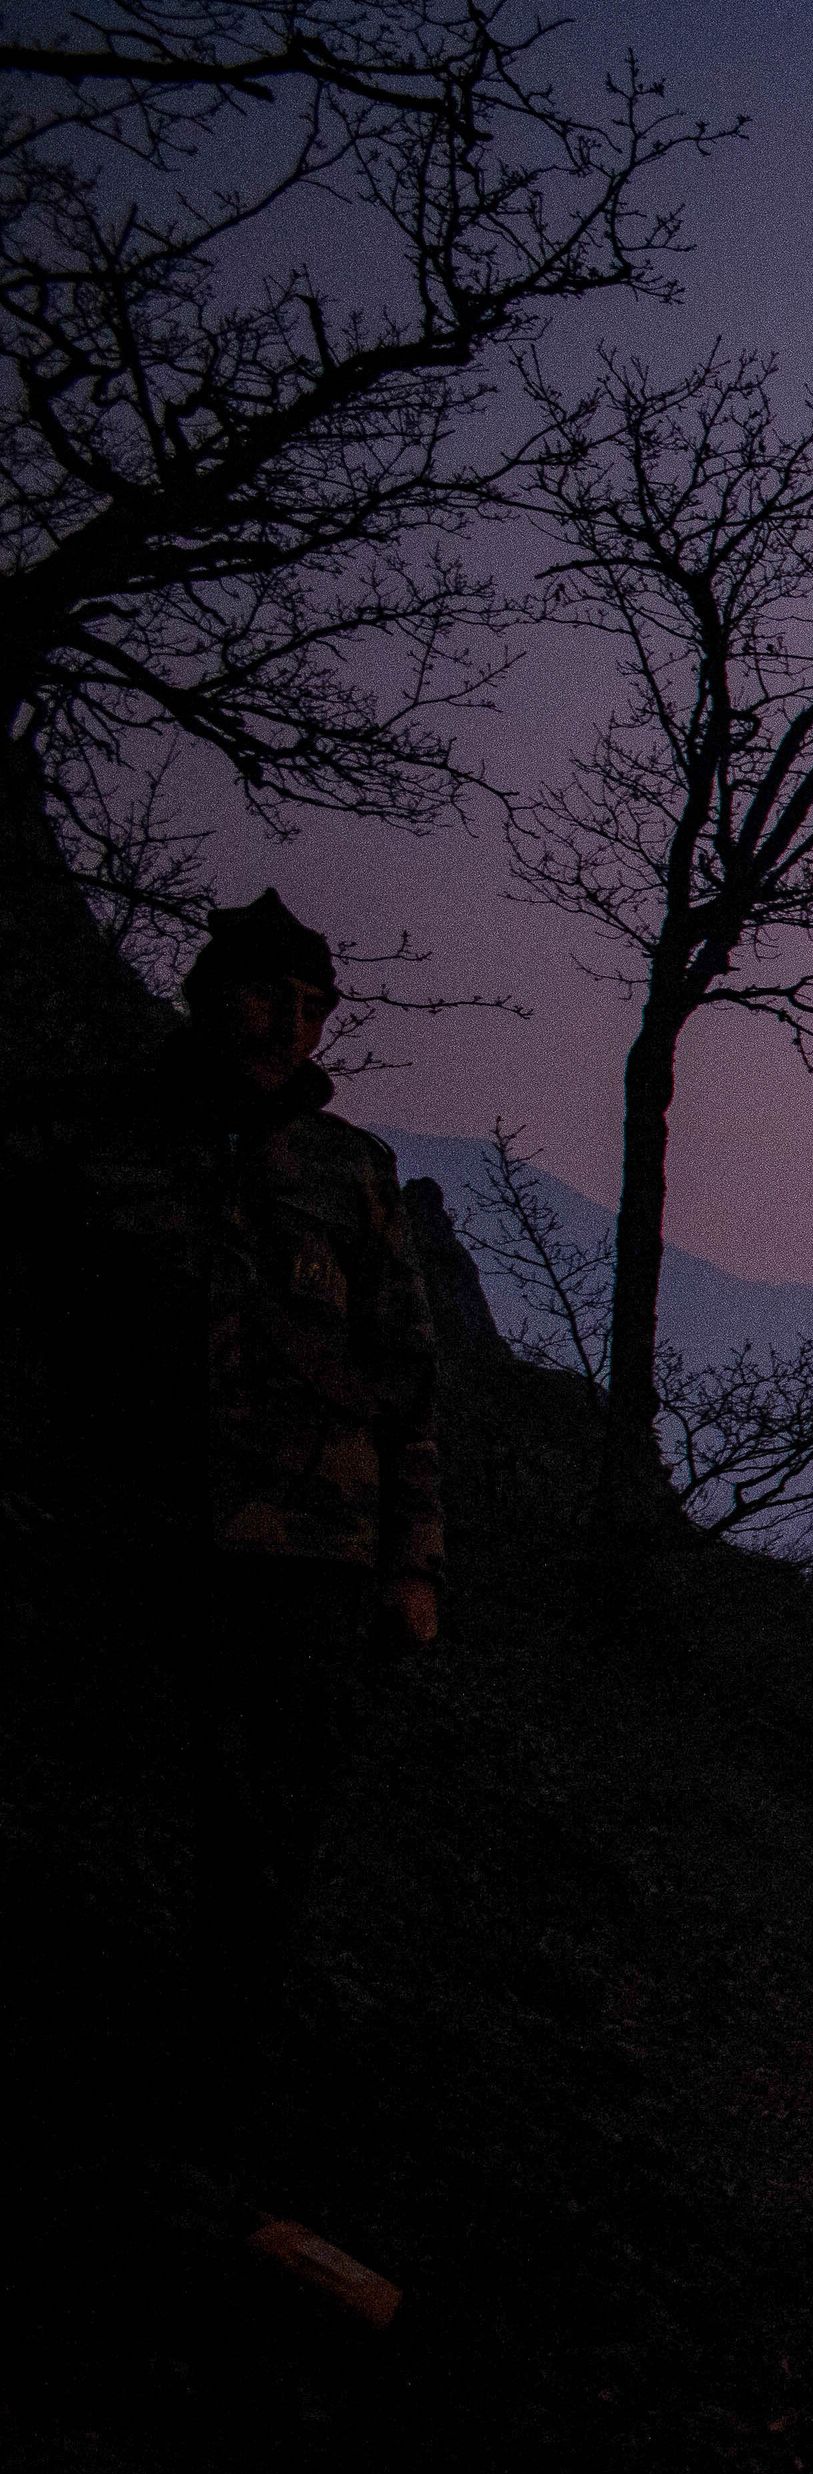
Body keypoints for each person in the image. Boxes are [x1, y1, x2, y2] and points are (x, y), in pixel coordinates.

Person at [5, 890, 443, 2211]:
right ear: (209, 993)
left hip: (304, 1562)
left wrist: (413, 1567)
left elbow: (409, 1385)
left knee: (261, 1847)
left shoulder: (351, 1173)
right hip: (124, 1533)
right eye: (265, 993)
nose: (287, 1024)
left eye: (311, 1006)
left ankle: (205, 2120)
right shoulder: (95, 1137)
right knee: (97, 1811)